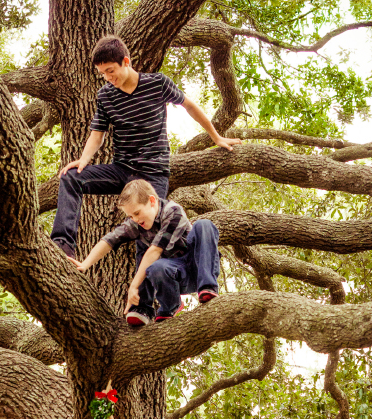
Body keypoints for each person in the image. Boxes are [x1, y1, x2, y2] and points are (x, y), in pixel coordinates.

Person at [51, 34, 241, 259]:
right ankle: (62, 246)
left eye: (111, 70)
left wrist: (216, 137)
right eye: (102, 74)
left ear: (126, 61)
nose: (107, 77)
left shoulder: (157, 83)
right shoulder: (105, 95)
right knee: (71, 177)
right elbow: (97, 134)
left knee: (147, 234)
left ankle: (147, 292)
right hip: (122, 170)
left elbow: (190, 106)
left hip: (152, 174)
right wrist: (84, 160)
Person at [75, 179, 220, 325]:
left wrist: (133, 286)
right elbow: (110, 240)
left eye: (137, 213)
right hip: (174, 274)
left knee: (204, 224)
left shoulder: (173, 211)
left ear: (152, 201)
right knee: (153, 262)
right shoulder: (137, 224)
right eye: (131, 216)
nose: (135, 219)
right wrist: (85, 264)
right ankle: (157, 307)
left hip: (196, 267)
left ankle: (207, 287)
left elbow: (155, 251)